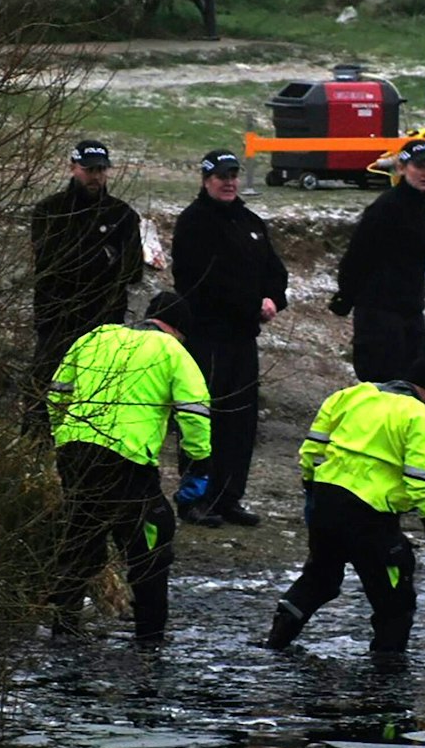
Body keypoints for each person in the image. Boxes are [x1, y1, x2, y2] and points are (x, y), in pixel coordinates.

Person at [265, 344, 425, 657]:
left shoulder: (352, 395)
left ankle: (274, 643)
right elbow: (421, 481)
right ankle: (385, 678)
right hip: (370, 517)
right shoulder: (419, 416)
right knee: (395, 600)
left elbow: (312, 449)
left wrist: (311, 491)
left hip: (326, 502)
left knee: (320, 578)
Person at [45, 291, 211, 639]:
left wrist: (63, 436)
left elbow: (57, 392)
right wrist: (198, 459)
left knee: (80, 538)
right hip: (126, 460)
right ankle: (150, 639)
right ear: (178, 329)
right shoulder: (172, 351)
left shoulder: (96, 337)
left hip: (75, 452)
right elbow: (195, 412)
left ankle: (62, 628)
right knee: (151, 540)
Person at [170, 149, 289, 529]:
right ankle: (194, 499)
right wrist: (251, 304)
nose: (229, 182)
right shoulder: (194, 223)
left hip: (242, 339)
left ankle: (228, 497)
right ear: (206, 180)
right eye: (221, 176)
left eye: (234, 175)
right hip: (206, 337)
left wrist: (272, 299)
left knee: (240, 423)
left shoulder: (250, 222)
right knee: (202, 420)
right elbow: (201, 283)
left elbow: (275, 271)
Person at [29, 138, 144, 431]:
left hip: (104, 324)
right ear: (73, 168)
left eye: (102, 170)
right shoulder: (50, 211)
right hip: (57, 321)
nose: (96, 176)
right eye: (89, 169)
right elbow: (53, 265)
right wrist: (103, 256)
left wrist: (93, 260)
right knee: (42, 396)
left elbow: (131, 271)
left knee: (98, 402)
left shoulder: (122, 215)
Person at [328, 137, 425, 383]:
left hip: (410, 310)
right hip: (378, 310)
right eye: (420, 167)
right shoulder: (385, 208)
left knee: (413, 380)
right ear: (401, 168)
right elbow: (357, 255)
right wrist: (346, 296)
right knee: (381, 380)